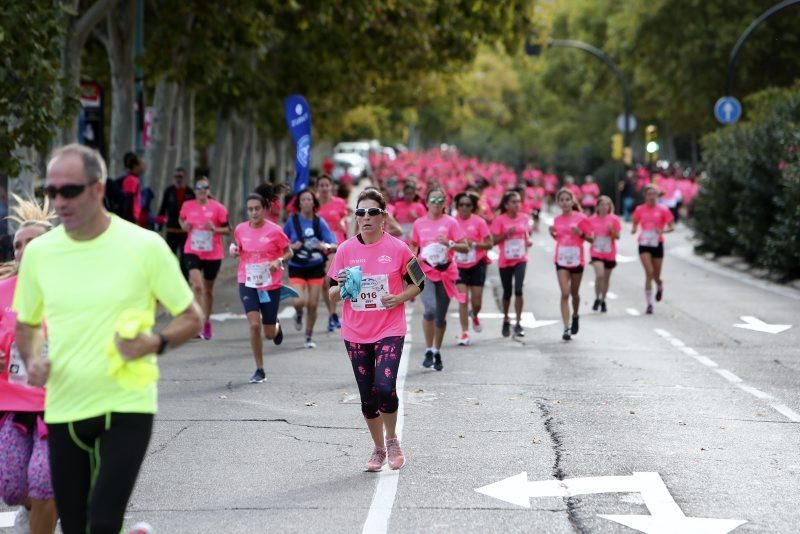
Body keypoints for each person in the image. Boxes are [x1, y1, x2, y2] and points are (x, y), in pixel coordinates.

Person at [13, 144, 203, 534]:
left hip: (126, 402)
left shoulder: (144, 246)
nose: (59, 202)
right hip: (64, 406)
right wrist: (32, 360)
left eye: (70, 191)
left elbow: (191, 316)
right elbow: (27, 323)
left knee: (102, 519)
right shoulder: (40, 254)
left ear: (98, 189)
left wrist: (155, 343)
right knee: (77, 526)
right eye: (52, 192)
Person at [327, 189, 423, 471]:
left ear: (383, 217)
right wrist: (342, 288)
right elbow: (331, 294)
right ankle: (378, 449)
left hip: (389, 327)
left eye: (372, 212)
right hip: (356, 332)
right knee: (368, 397)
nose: (365, 217)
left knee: (384, 386)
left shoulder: (398, 249)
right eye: (360, 212)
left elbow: (419, 281)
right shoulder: (345, 250)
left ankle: (392, 439)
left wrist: (400, 297)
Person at [0, 195, 58, 534]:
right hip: (12, 406)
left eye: (32, 243)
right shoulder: (3, 291)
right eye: (18, 245)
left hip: (62, 405)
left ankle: (47, 511)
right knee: (11, 487)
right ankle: (40, 510)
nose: (22, 250)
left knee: (42, 480)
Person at [231, 194, 293, 383]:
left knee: (268, 333)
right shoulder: (240, 229)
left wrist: (279, 260)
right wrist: (234, 251)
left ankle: (275, 325)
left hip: (270, 283)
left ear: (264, 209)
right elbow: (238, 247)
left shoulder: (275, 230)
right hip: (247, 281)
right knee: (254, 325)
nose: (254, 212)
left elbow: (289, 251)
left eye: (257, 208)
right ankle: (259, 369)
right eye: (250, 209)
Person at [410, 188, 468, 371]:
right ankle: (428, 349)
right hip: (426, 272)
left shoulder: (451, 223)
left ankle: (436, 351)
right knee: (430, 310)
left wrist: (449, 244)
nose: (436, 203)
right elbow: (413, 246)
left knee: (440, 317)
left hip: (446, 273)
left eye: (440, 200)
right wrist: (412, 260)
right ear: (426, 202)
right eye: (433, 199)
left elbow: (465, 247)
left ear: (445, 203)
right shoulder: (419, 223)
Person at [283, 188, 338, 348]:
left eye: (309, 199)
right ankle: (298, 313)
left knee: (313, 304)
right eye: (303, 200)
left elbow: (333, 244)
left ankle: (308, 335)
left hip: (315, 267)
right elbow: (280, 242)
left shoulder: (319, 222)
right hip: (297, 266)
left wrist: (323, 245)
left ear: (314, 203)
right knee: (299, 301)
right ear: (299, 204)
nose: (306, 202)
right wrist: (292, 246)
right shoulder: (291, 221)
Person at [179, 176, 230, 340]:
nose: (202, 191)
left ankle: (206, 321)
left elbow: (228, 229)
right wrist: (184, 226)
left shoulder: (218, 208)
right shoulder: (187, 206)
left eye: (205, 188)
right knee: (197, 286)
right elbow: (182, 219)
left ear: (209, 191)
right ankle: (197, 323)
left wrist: (215, 229)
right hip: (192, 250)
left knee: (208, 289)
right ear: (195, 191)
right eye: (198, 188)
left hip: (213, 253)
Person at [550, 188, 593, 341]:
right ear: (558, 203)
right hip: (561, 259)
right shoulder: (556, 220)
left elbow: (591, 239)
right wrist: (552, 234)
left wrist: (580, 233)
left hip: (577, 259)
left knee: (574, 294)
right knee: (565, 293)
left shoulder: (581, 218)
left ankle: (575, 315)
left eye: (567, 199)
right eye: (562, 200)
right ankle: (566, 327)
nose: (565, 202)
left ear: (572, 201)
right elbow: (559, 238)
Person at [491, 190, 532, 338]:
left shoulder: (524, 218)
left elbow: (526, 235)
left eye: (518, 202)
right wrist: (506, 234)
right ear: (506, 205)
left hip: (521, 258)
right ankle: (506, 318)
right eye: (513, 202)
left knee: (519, 289)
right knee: (507, 292)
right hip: (505, 260)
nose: (517, 204)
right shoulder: (500, 220)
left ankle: (518, 323)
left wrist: (528, 241)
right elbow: (493, 241)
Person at [453, 192, 492, 345]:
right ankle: (464, 332)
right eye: (461, 204)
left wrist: (474, 244)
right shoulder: (451, 222)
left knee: (476, 302)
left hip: (477, 264)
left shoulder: (479, 222)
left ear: (473, 207)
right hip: (458, 266)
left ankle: (474, 314)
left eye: (467, 205)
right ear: (457, 206)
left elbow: (489, 243)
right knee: (463, 300)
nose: (464, 208)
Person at [632, 184, 675, 314]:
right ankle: (649, 304)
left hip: (657, 244)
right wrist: (634, 229)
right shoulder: (639, 209)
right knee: (649, 272)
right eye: (649, 194)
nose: (651, 197)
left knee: (656, 275)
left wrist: (663, 231)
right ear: (645, 196)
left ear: (657, 196)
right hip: (644, 243)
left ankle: (659, 285)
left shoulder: (663, 209)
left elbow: (671, 227)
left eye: (654, 194)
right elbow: (635, 223)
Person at [315, 174, 350, 333]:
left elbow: (345, 219)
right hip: (318, 245)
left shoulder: (339, 203)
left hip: (335, 244)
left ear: (331, 187)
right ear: (317, 188)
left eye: (326, 185)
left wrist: (343, 223)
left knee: (331, 278)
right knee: (323, 282)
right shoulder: (313, 203)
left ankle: (332, 315)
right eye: (321, 185)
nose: (324, 188)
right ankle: (332, 313)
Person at [588, 196, 621, 313]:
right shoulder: (591, 220)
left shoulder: (614, 219)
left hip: (609, 252)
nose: (604, 207)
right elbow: (587, 236)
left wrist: (611, 231)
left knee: (606, 279)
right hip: (596, 252)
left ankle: (603, 300)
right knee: (599, 275)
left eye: (606, 205)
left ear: (609, 206)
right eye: (601, 204)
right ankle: (597, 297)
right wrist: (591, 237)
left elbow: (617, 236)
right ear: (597, 206)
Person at [157, 167, 195, 269]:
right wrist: (158, 227)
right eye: (176, 176)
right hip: (171, 230)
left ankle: (185, 281)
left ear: (185, 177)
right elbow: (162, 209)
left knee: (185, 259)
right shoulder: (169, 191)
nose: (178, 179)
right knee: (170, 257)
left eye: (180, 176)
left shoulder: (190, 192)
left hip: (185, 232)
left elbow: (195, 211)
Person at [119, 152, 144, 225]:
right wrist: (131, 220)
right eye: (141, 165)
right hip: (131, 219)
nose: (142, 168)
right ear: (135, 166)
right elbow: (129, 201)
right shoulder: (131, 180)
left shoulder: (135, 179)